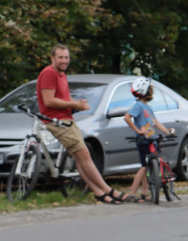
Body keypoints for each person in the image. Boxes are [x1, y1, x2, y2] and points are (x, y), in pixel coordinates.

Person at [37, 44, 134, 203]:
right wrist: (75, 105)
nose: (64, 61)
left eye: (66, 57)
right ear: (52, 58)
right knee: (84, 155)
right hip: (57, 121)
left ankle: (98, 192)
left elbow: (61, 99)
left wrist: (76, 103)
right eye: (60, 57)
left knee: (80, 157)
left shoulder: (61, 74)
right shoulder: (49, 73)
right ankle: (109, 191)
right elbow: (49, 101)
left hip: (66, 120)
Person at [125, 77, 175, 200]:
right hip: (143, 141)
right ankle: (131, 194)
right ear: (146, 91)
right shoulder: (138, 106)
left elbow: (155, 122)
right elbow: (127, 117)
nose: (152, 90)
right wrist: (137, 131)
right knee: (144, 167)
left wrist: (166, 131)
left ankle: (144, 192)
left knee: (149, 166)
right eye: (150, 88)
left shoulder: (148, 108)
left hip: (152, 140)